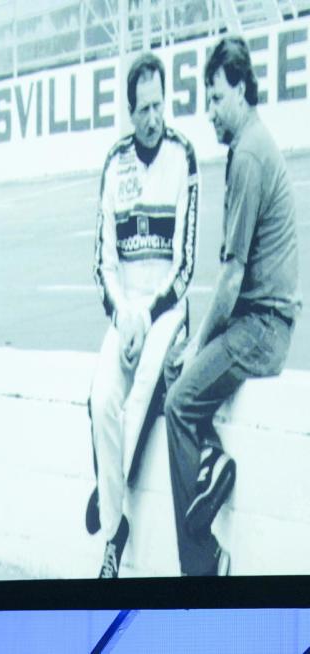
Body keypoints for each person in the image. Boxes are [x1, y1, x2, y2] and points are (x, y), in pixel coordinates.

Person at [164, 36, 300, 576]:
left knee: (177, 402)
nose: (209, 112)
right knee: (177, 385)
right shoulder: (256, 143)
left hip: (262, 328)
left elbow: (230, 278)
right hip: (262, 322)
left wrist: (198, 348)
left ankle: (200, 568)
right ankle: (212, 465)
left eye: (216, 98)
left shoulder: (247, 154)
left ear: (240, 90)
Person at [88, 52, 199, 578]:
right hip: (126, 317)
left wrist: (148, 317)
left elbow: (185, 265)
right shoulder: (114, 163)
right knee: (101, 400)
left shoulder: (184, 156)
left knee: (135, 403)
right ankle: (115, 531)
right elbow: (103, 262)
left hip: (168, 314)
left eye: (159, 105)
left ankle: (107, 492)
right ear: (130, 113)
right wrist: (125, 318)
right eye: (144, 109)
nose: (153, 117)